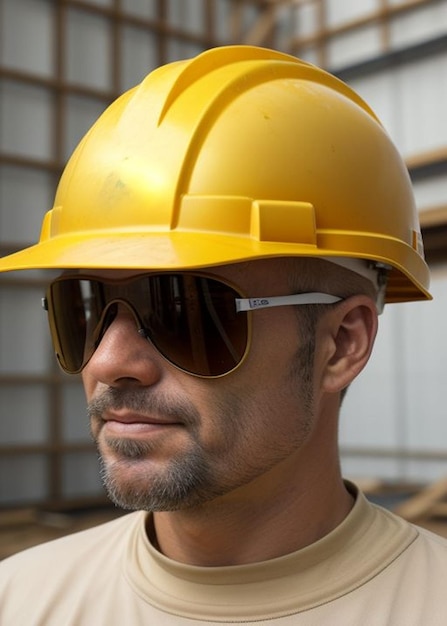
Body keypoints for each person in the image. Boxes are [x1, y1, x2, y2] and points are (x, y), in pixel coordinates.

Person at [0, 44, 445, 625]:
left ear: (342, 344)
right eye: (84, 308)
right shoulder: (20, 599)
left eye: (186, 311)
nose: (109, 362)